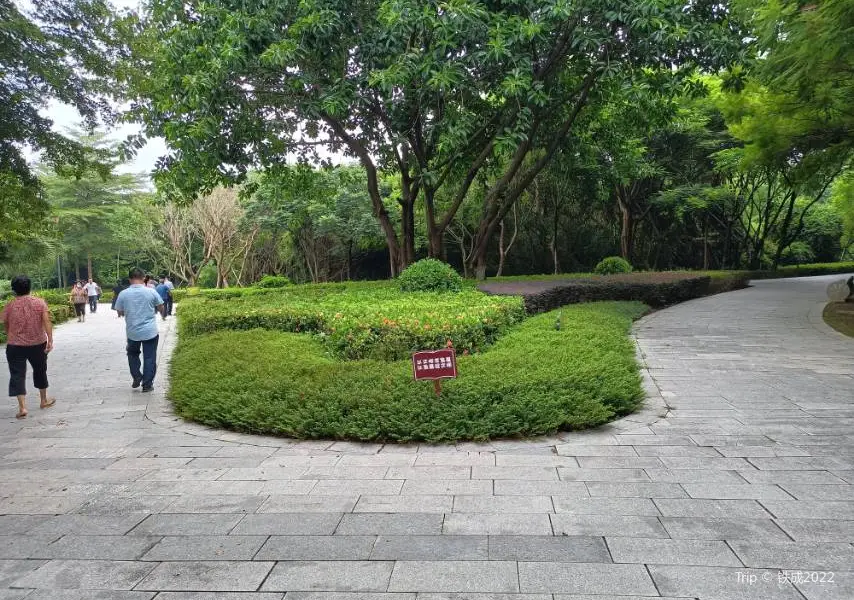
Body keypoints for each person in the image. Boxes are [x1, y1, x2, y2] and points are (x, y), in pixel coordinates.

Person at [1, 276, 55, 418]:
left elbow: (5, 323)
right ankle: (43, 400)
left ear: (14, 290)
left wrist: (10, 335)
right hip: (37, 343)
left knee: (17, 374)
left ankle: (22, 408)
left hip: (15, 346)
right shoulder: (40, 303)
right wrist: (50, 339)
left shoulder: (10, 305)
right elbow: (46, 321)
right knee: (40, 370)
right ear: (30, 287)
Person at [115, 267, 164, 392]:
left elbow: (119, 311)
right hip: (150, 331)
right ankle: (147, 385)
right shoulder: (151, 292)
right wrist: (157, 311)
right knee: (149, 357)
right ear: (143, 278)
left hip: (132, 332)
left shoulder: (123, 294)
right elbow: (161, 307)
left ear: (130, 279)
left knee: (132, 354)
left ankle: (136, 376)